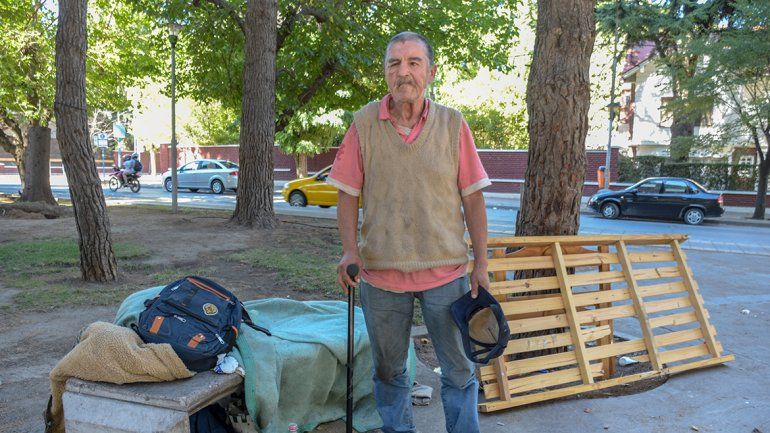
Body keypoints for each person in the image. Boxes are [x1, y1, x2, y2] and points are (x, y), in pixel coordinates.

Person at [328, 31, 490, 433]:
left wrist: (481, 264)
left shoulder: (453, 125)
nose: (404, 72)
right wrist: (350, 251)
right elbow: (347, 193)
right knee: (388, 370)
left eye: (414, 62)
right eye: (394, 64)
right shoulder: (363, 123)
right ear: (385, 73)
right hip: (381, 273)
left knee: (457, 370)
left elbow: (473, 199)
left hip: (446, 272)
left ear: (431, 72)